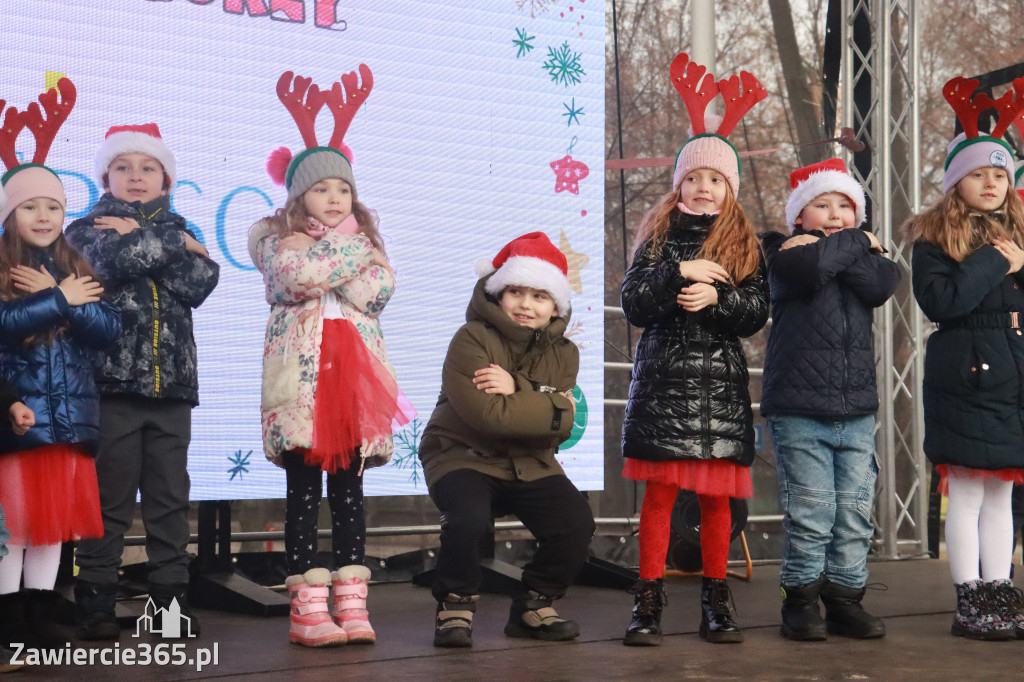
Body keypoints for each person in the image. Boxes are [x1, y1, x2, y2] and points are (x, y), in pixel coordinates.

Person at [250, 67, 410, 648]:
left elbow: (376, 292)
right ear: (299, 198)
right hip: (305, 384)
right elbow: (297, 277)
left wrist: (336, 253)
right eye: (323, 190)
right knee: (302, 493)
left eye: (344, 190)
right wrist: (349, 254)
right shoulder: (276, 240)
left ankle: (352, 601)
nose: (336, 198)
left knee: (349, 494)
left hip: (356, 382)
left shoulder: (362, 243)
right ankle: (306, 609)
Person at [620, 53, 768, 646]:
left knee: (716, 503)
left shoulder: (745, 241)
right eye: (693, 177)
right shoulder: (658, 235)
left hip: (720, 389)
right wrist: (680, 272)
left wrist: (717, 300)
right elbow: (634, 303)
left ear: (728, 187)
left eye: (714, 178)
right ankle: (648, 600)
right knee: (658, 498)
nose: (702, 186)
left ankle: (716, 599)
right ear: (678, 183)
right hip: (663, 385)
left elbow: (757, 312)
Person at [66, 122, 220, 640]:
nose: (136, 177)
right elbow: (113, 261)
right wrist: (172, 243)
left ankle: (170, 605)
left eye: (148, 168)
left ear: (166, 180)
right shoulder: (87, 227)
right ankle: (96, 601)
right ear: (106, 177)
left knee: (169, 500)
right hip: (112, 387)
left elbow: (202, 282)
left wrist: (154, 241)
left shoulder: (182, 226)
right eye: (124, 168)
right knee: (109, 501)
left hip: (173, 390)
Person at [419, 231, 594, 648]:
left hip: (531, 461)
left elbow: (567, 422)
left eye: (539, 295)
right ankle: (455, 604)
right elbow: (488, 416)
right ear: (499, 294)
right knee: (469, 519)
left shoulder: (566, 352)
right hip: (463, 455)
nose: (526, 304)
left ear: (556, 305)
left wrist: (516, 387)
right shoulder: (472, 339)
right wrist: (547, 402)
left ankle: (534, 605)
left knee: (576, 522)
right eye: (516, 291)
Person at [761, 159, 900, 641]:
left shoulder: (857, 260)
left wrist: (850, 247)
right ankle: (798, 600)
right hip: (799, 408)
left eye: (846, 206)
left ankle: (845, 599)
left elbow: (882, 283)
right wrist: (863, 240)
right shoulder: (783, 252)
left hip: (856, 409)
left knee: (853, 513)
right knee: (813, 511)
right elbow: (811, 268)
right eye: (822, 205)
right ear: (799, 216)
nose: (836, 214)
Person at [908, 75, 1024, 641]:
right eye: (979, 173)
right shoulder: (933, 240)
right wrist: (994, 263)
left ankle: (1000, 586)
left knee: (1003, 491)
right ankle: (969, 595)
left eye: (999, 174)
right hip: (965, 370)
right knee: (969, 489)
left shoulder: (1018, 236)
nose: (991, 183)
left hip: (1012, 373)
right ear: (958, 181)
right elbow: (942, 301)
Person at [0, 78, 120, 601]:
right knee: (15, 529)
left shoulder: (73, 267)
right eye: (30, 207)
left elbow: (110, 332)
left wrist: (63, 297)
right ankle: (8, 624)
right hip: (18, 415)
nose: (44, 216)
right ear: (9, 216)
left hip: (68, 418)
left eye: (53, 206)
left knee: (52, 530)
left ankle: (40, 615)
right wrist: (58, 301)